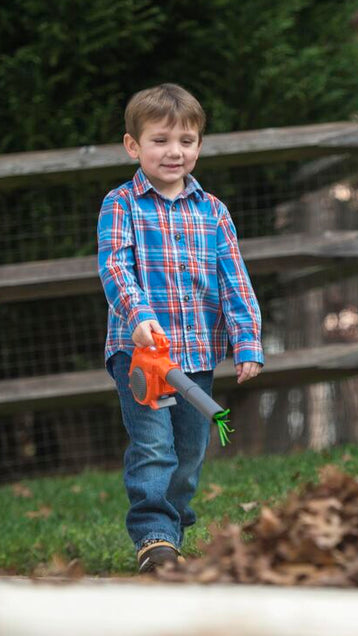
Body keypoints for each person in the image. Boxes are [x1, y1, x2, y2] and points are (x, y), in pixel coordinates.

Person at [97, 83, 263, 574]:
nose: (175, 152)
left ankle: (173, 528)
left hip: (196, 356)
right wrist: (138, 314)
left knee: (189, 451)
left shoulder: (213, 212)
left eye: (186, 141)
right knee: (153, 445)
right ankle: (154, 538)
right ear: (134, 146)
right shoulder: (121, 204)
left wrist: (247, 340)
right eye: (161, 140)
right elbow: (114, 266)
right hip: (141, 356)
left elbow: (235, 279)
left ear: (199, 146)